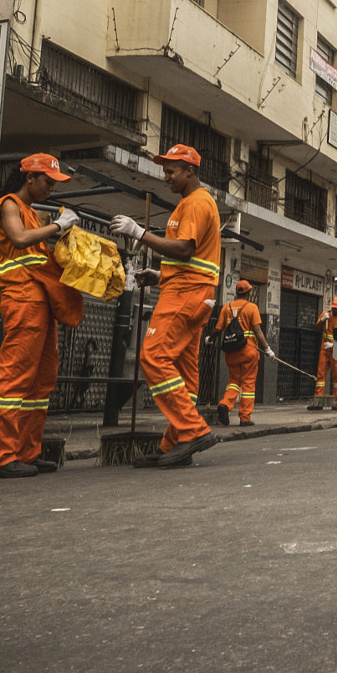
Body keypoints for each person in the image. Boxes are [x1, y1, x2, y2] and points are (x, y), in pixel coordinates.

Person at [111, 144, 223, 469]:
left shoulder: (196, 204)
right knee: (185, 377)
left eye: (171, 170)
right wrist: (160, 275)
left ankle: (193, 430)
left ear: (190, 171)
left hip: (185, 296)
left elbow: (185, 250)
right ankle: (176, 444)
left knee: (153, 356)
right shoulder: (194, 204)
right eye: (165, 170)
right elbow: (195, 258)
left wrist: (139, 232)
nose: (166, 177)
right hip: (192, 291)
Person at [0, 155, 80, 479]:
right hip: (22, 299)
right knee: (14, 377)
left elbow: (36, 252)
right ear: (29, 178)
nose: (52, 187)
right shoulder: (9, 204)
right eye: (48, 181)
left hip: (40, 299)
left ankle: (27, 452)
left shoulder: (33, 213)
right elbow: (19, 239)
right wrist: (58, 226)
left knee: (41, 380)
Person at [215, 280, 266, 425]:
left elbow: (218, 329)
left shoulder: (226, 308)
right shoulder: (252, 308)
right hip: (248, 351)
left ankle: (225, 404)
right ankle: (245, 418)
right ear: (249, 293)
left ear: (237, 292)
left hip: (231, 352)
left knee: (233, 382)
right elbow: (257, 330)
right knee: (248, 385)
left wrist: (209, 338)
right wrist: (267, 348)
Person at [312, 297, 337, 410]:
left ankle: (336, 402)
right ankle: (318, 401)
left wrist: (334, 345)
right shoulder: (326, 315)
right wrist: (322, 320)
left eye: (336, 308)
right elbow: (316, 329)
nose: (334, 310)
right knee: (320, 375)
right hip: (324, 349)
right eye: (333, 308)